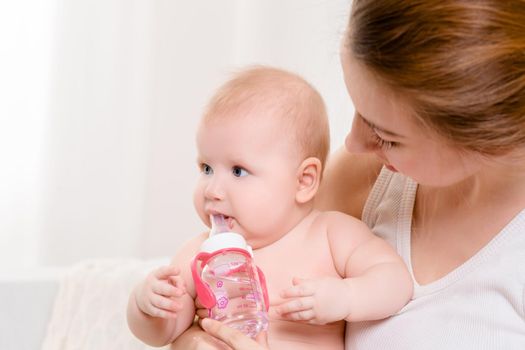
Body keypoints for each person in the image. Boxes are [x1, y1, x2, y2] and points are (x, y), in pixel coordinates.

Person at [170, 0, 525, 349]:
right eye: (357, 108)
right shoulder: (364, 178)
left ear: (484, 135)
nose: (352, 143)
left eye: (387, 135)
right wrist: (192, 337)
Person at [126, 66, 413, 349]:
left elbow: (396, 282)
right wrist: (148, 306)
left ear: (303, 181)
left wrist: (347, 297)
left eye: (238, 171)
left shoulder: (332, 235)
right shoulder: (198, 255)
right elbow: (160, 334)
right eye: (206, 168)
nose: (212, 190)